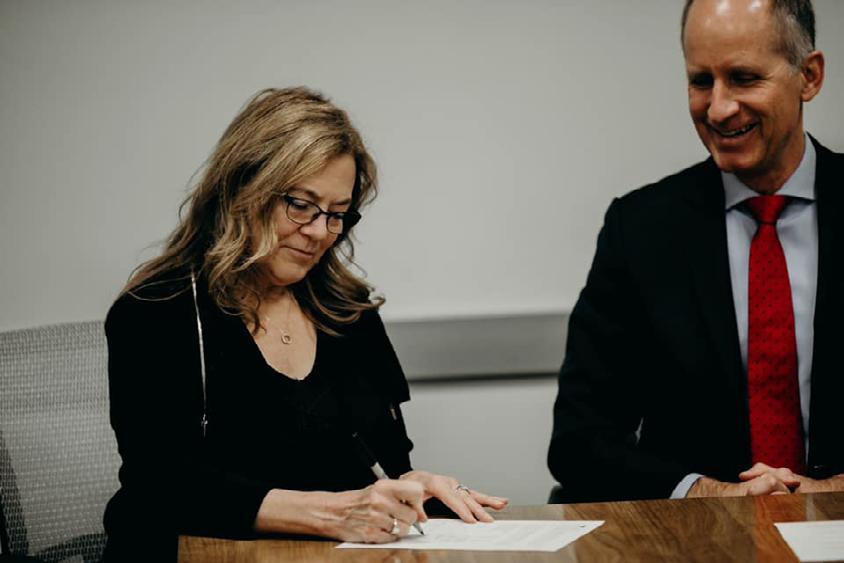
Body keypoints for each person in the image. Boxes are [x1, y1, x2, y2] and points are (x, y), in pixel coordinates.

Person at [102, 87, 507, 560]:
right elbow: (161, 482)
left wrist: (410, 487)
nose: (319, 232)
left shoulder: (348, 312)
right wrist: (331, 513)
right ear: (242, 191)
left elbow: (384, 461)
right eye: (301, 205)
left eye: (337, 215)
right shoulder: (156, 312)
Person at [548, 0, 844, 503]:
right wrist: (707, 493)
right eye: (702, 81)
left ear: (809, 76)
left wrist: (831, 493)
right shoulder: (640, 229)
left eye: (744, 78)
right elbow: (580, 442)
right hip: (699, 532)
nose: (718, 109)